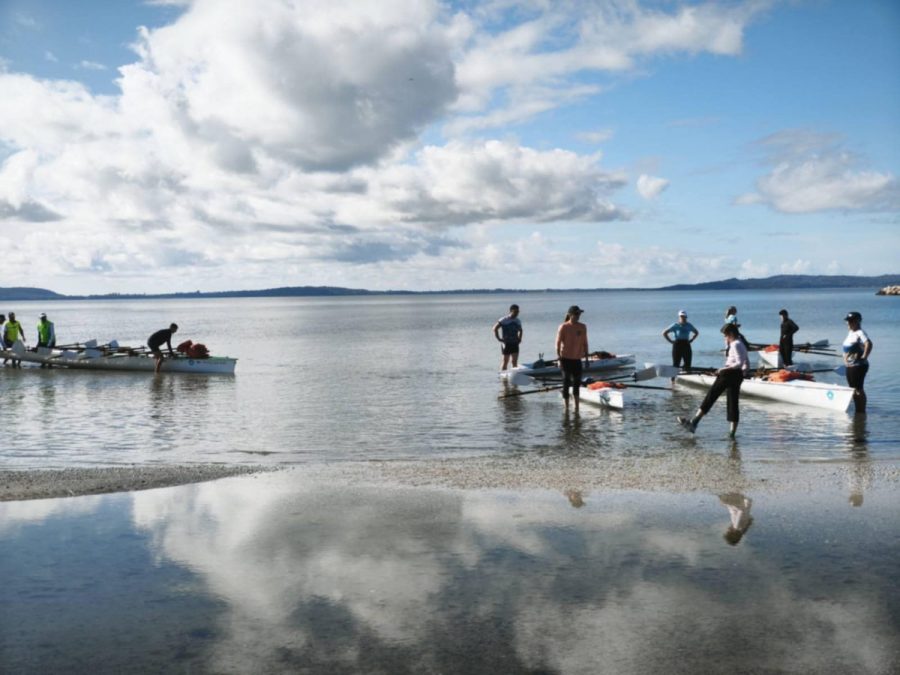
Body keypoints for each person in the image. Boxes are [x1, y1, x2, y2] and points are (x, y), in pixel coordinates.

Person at [678, 323, 749, 438]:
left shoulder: (735, 344)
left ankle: (694, 423)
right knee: (733, 403)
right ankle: (732, 434)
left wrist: (722, 369)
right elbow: (745, 362)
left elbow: (738, 363)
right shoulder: (741, 343)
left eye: (725, 336)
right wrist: (744, 372)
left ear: (730, 334)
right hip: (737, 375)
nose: (724, 338)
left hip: (728, 374)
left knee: (711, 395)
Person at [556, 305, 589, 412]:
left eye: (579, 314)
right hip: (565, 360)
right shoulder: (563, 327)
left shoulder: (583, 326)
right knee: (566, 382)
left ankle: (577, 408)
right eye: (576, 314)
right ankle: (566, 409)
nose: (578, 316)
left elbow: (585, 343)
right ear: (570, 315)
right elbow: (557, 343)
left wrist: (587, 359)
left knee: (576, 384)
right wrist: (559, 358)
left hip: (577, 360)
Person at [842, 312, 872, 415]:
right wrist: (845, 358)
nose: (848, 323)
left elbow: (868, 343)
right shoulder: (851, 332)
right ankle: (857, 411)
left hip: (859, 366)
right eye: (848, 321)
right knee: (852, 389)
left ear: (858, 321)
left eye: (851, 321)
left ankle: (861, 411)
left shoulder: (860, 332)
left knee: (859, 389)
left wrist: (864, 356)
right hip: (850, 366)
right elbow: (848, 349)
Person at [492, 304, 523, 370]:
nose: (517, 313)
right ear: (511, 311)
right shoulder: (504, 320)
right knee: (505, 361)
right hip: (506, 343)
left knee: (514, 361)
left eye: (518, 312)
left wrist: (520, 339)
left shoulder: (517, 321)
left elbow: (520, 330)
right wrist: (498, 338)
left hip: (515, 343)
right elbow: (495, 328)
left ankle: (514, 376)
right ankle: (503, 376)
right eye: (515, 312)